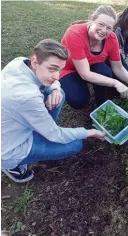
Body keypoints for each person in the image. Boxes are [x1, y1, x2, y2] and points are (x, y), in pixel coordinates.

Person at [1, 39, 105, 183]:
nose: (57, 76)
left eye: (60, 70)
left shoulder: (20, 62)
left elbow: (55, 83)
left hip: (12, 123)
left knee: (58, 94)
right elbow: (56, 135)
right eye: (52, 69)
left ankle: (42, 127)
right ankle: (12, 166)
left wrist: (55, 88)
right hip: (9, 148)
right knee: (75, 145)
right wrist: (90, 132)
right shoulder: (27, 96)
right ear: (35, 61)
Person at [59, 5, 128, 109]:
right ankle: (72, 84)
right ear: (92, 20)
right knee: (79, 101)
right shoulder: (75, 34)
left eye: (109, 28)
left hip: (89, 67)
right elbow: (85, 74)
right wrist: (115, 83)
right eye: (101, 24)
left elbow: (118, 67)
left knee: (104, 70)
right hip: (69, 69)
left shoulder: (112, 38)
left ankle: (101, 103)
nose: (104, 30)